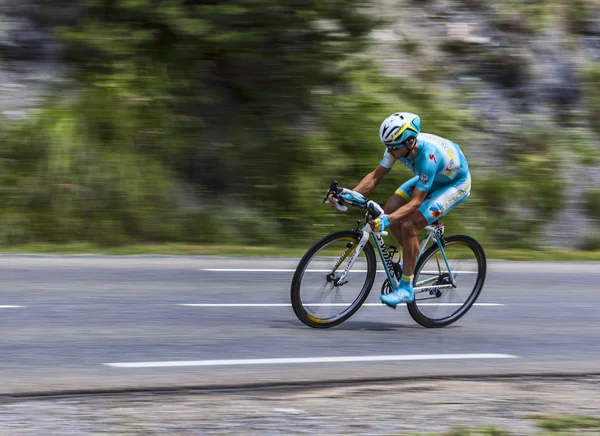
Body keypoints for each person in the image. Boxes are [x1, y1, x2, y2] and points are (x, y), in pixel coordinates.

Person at [329, 112, 471, 307]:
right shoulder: (397, 145)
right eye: (387, 147)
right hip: (432, 176)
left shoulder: (427, 158)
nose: (390, 152)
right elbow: (375, 177)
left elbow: (414, 203)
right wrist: (349, 195)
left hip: (455, 184)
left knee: (409, 226)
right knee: (390, 208)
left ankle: (406, 288)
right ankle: (412, 256)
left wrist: (387, 220)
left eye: (394, 148)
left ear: (410, 142)